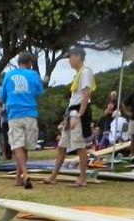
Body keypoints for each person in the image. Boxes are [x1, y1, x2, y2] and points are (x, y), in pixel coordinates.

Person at [45, 45, 94, 188]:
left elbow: (86, 94)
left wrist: (79, 115)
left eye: (71, 57)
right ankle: (54, 176)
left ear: (78, 56)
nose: (69, 60)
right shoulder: (78, 74)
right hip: (72, 112)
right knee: (62, 146)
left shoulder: (85, 72)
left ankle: (82, 178)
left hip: (77, 112)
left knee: (79, 146)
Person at [0, 50, 43, 189]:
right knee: (25, 148)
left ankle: (24, 174)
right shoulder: (34, 75)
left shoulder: (9, 75)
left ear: (18, 63)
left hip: (14, 114)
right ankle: (20, 177)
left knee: (17, 146)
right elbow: (39, 93)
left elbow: (2, 97)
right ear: (30, 63)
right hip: (30, 113)